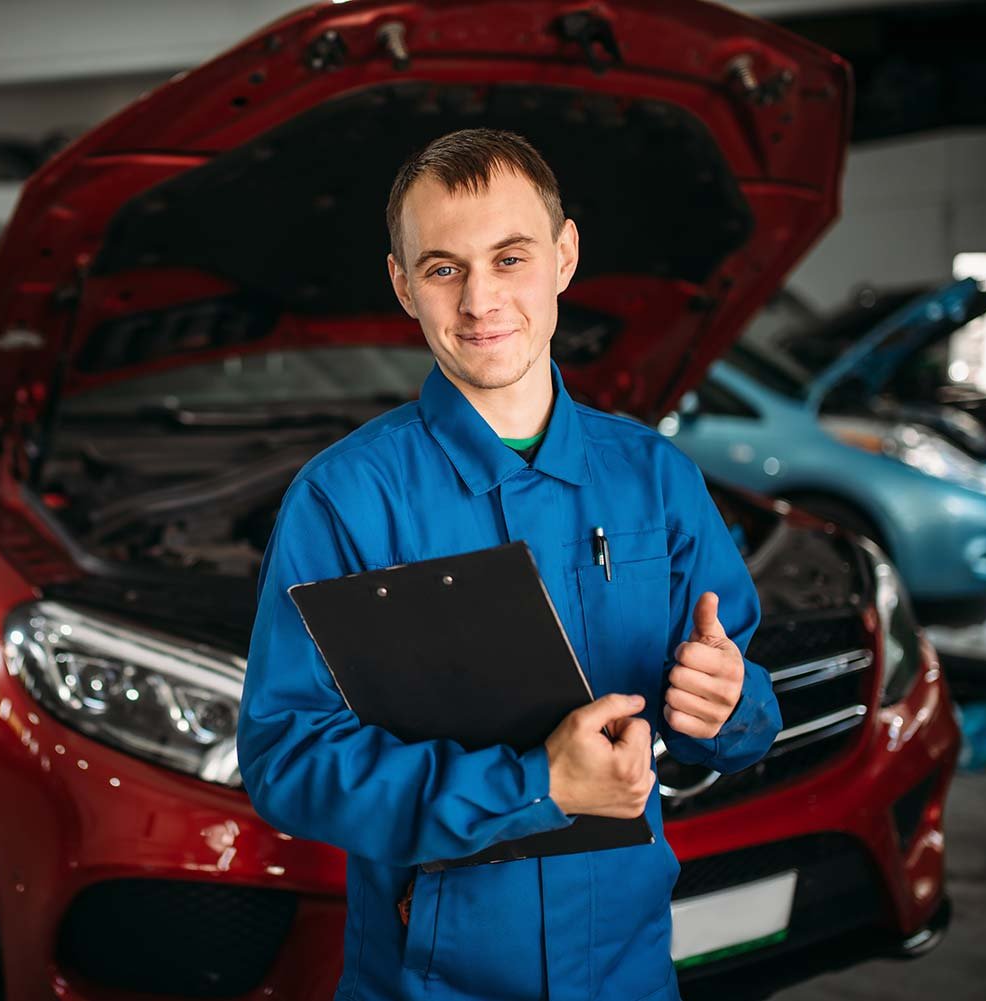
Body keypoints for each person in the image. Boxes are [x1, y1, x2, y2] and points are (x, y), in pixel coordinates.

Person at [236, 128, 783, 1001]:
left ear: (565, 257)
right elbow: (288, 757)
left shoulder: (655, 479)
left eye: (511, 256)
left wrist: (726, 707)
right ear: (403, 284)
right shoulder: (345, 500)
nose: (481, 299)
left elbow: (749, 705)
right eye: (444, 267)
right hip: (429, 981)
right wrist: (534, 786)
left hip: (629, 973)